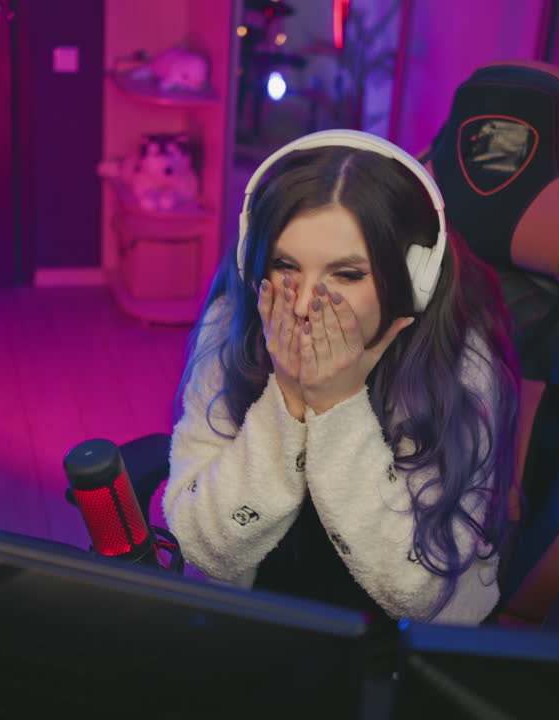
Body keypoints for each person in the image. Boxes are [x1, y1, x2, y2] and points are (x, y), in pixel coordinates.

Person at [164, 130, 518, 641]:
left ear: (410, 280)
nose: (306, 304)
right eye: (285, 266)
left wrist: (336, 403)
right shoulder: (234, 327)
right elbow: (207, 550)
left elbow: (415, 590)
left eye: (347, 274)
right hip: (263, 616)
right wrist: (286, 398)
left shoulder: (460, 367)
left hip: (404, 648)